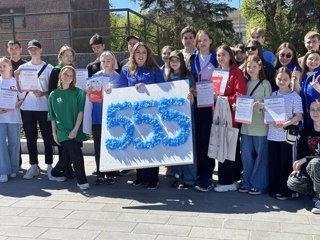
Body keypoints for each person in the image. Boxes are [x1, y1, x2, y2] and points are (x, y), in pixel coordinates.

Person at [119, 42, 165, 189]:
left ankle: (153, 178)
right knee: (137, 145)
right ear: (133, 53)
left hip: (151, 115)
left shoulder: (155, 70)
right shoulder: (126, 70)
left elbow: (162, 90)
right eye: (138, 52)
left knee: (151, 145)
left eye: (143, 52)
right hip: (133, 115)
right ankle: (140, 176)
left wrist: (147, 88)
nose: (140, 55)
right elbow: (120, 90)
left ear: (148, 54)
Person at [15, 39, 54, 180]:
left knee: (47, 138)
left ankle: (49, 166)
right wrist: (17, 77)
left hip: (44, 108)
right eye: (30, 49)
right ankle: (33, 166)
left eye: (35, 48)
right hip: (28, 108)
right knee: (31, 138)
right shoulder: (23, 68)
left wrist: (43, 93)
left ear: (41, 50)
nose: (33, 51)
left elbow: (53, 90)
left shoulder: (49, 68)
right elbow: (19, 90)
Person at [48, 66, 89, 190]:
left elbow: (80, 112)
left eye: (71, 76)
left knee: (67, 154)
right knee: (76, 151)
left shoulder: (78, 92)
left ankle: (55, 172)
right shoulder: (53, 94)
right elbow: (52, 116)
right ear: (60, 75)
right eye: (66, 74)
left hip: (75, 127)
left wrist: (75, 129)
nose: (68, 77)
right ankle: (82, 181)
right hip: (62, 130)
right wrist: (54, 134)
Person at [213, 44, 247, 192]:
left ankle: (228, 182)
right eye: (218, 55)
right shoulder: (217, 72)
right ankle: (229, 179)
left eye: (223, 55)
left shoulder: (236, 72)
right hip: (218, 115)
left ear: (230, 56)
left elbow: (240, 94)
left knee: (229, 148)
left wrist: (222, 98)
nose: (221, 58)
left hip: (231, 116)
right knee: (222, 147)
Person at [267, 67, 303, 200]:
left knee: (286, 163)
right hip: (272, 135)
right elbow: (269, 115)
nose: (282, 81)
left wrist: (284, 124)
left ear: (289, 80)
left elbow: (298, 116)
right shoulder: (272, 95)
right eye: (279, 79)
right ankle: (274, 189)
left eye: (285, 79)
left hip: (287, 136)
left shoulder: (295, 96)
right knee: (274, 163)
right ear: (275, 79)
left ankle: (286, 191)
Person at [238, 55, 272, 195]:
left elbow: (271, 106)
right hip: (246, 126)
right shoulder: (244, 83)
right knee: (246, 156)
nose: (251, 69)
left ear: (260, 68)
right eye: (248, 66)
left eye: (254, 66)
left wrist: (261, 105)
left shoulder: (265, 84)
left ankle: (259, 184)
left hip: (261, 128)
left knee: (261, 157)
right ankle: (246, 182)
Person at [86, 51, 120, 185]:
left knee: (110, 145)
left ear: (113, 62)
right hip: (97, 116)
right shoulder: (95, 76)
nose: (106, 63)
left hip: (112, 117)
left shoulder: (118, 77)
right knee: (98, 145)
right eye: (103, 61)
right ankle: (100, 173)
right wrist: (88, 91)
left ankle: (111, 172)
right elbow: (89, 95)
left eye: (108, 61)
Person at [190, 30, 217, 192]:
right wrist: (191, 90)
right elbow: (189, 78)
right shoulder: (192, 58)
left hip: (211, 105)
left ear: (211, 41)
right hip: (197, 104)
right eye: (199, 40)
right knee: (199, 140)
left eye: (205, 40)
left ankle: (207, 176)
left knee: (208, 140)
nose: (202, 43)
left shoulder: (216, 58)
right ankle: (200, 173)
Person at [167, 50, 197, 188]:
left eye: (176, 60)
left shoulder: (187, 76)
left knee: (188, 147)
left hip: (186, 116)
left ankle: (190, 178)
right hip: (173, 118)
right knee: (176, 147)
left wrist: (191, 94)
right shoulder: (168, 76)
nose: (174, 63)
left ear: (181, 62)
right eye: (172, 61)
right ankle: (178, 176)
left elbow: (193, 93)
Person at [287, 99, 320, 214]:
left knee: (315, 163)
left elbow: (308, 158)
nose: (315, 112)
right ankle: (317, 193)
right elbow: (302, 152)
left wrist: (305, 159)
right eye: (312, 109)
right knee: (292, 183)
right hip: (312, 170)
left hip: (316, 165)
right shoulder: (307, 131)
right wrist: (298, 167)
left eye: (318, 109)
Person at [0, 58, 23, 183]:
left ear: (10, 67)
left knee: (14, 144)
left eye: (4, 66)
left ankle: (14, 169)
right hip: (0, 119)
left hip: (14, 117)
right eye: (0, 67)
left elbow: (21, 98)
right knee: (1, 144)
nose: (2, 69)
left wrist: (14, 105)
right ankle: (3, 171)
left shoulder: (16, 82)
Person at [7, 40, 26, 168]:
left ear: (21, 49)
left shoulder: (26, 65)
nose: (14, 50)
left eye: (16, 48)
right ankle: (16, 162)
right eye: (11, 48)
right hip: (9, 105)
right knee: (12, 135)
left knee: (28, 133)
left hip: (24, 103)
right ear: (8, 50)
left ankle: (33, 163)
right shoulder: (4, 64)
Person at [300, 50, 320, 126]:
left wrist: (318, 88)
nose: (313, 61)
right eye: (310, 59)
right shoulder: (304, 76)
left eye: (317, 59)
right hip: (307, 117)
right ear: (305, 61)